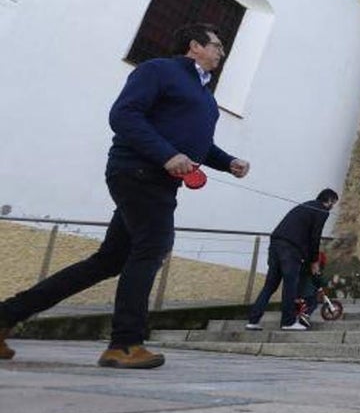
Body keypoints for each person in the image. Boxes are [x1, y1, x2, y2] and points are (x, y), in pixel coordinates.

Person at [0, 23, 249, 368]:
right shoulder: (159, 70)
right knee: (152, 248)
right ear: (194, 46)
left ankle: (6, 315)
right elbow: (124, 115)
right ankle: (125, 344)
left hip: (159, 181)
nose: (222, 52)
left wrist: (228, 162)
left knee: (109, 261)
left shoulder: (205, 96)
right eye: (217, 45)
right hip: (138, 172)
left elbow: (198, 144)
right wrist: (166, 155)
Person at [246, 189, 339, 331]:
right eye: (334, 203)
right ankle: (288, 322)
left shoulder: (306, 206)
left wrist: (308, 258)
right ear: (330, 201)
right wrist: (314, 261)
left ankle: (253, 320)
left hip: (276, 244)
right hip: (291, 249)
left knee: (270, 285)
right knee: (290, 285)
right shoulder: (322, 210)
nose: (333, 207)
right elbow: (315, 236)